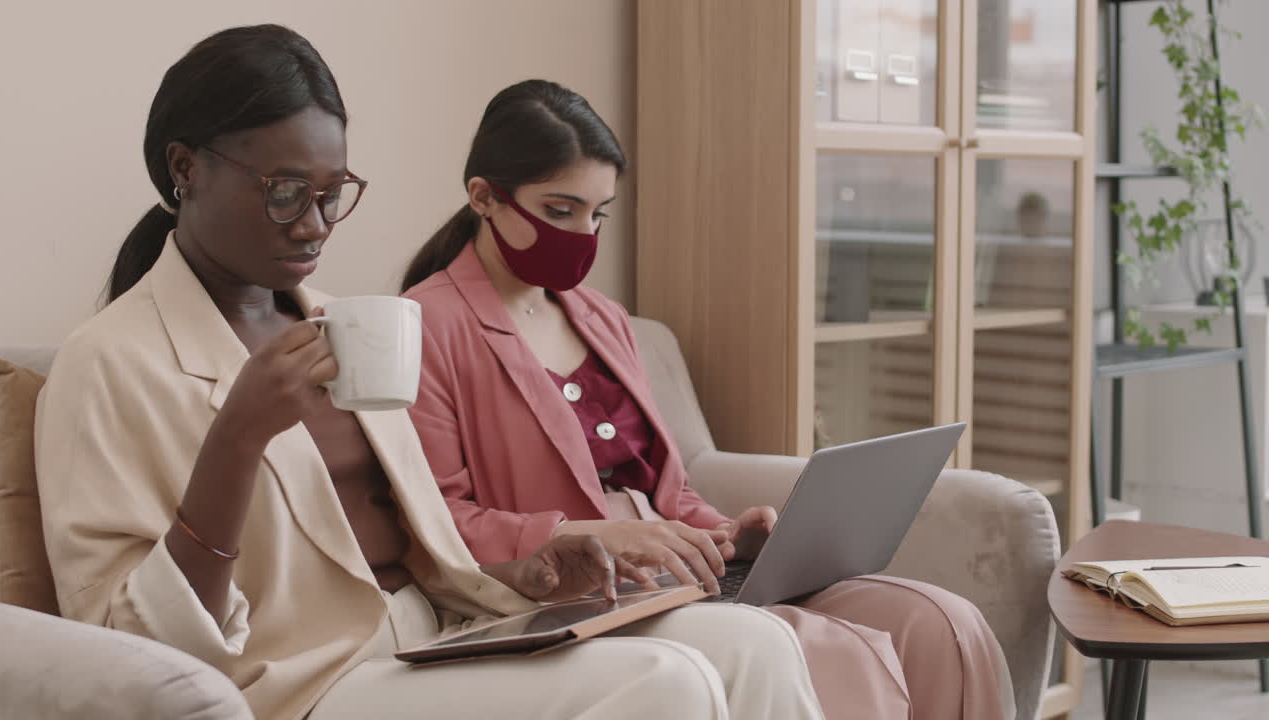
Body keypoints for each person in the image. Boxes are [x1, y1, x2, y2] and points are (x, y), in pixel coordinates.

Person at [33, 26, 825, 720]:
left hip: (442, 634)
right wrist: (236, 440)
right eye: (285, 193)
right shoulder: (106, 364)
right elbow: (119, 651)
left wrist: (534, 568)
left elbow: (424, 542)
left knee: (753, 643)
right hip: (300, 684)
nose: (314, 224)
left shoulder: (343, 323)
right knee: (666, 682)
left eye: (332, 193)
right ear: (185, 168)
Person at [402, 79, 1018, 720]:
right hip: (577, 595)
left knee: (941, 621)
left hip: (678, 576)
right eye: (561, 211)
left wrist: (724, 535)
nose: (584, 233)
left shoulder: (603, 318)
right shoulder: (427, 326)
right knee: (820, 646)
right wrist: (598, 535)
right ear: (484, 196)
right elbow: (436, 522)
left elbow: (666, 492)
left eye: (598, 214)